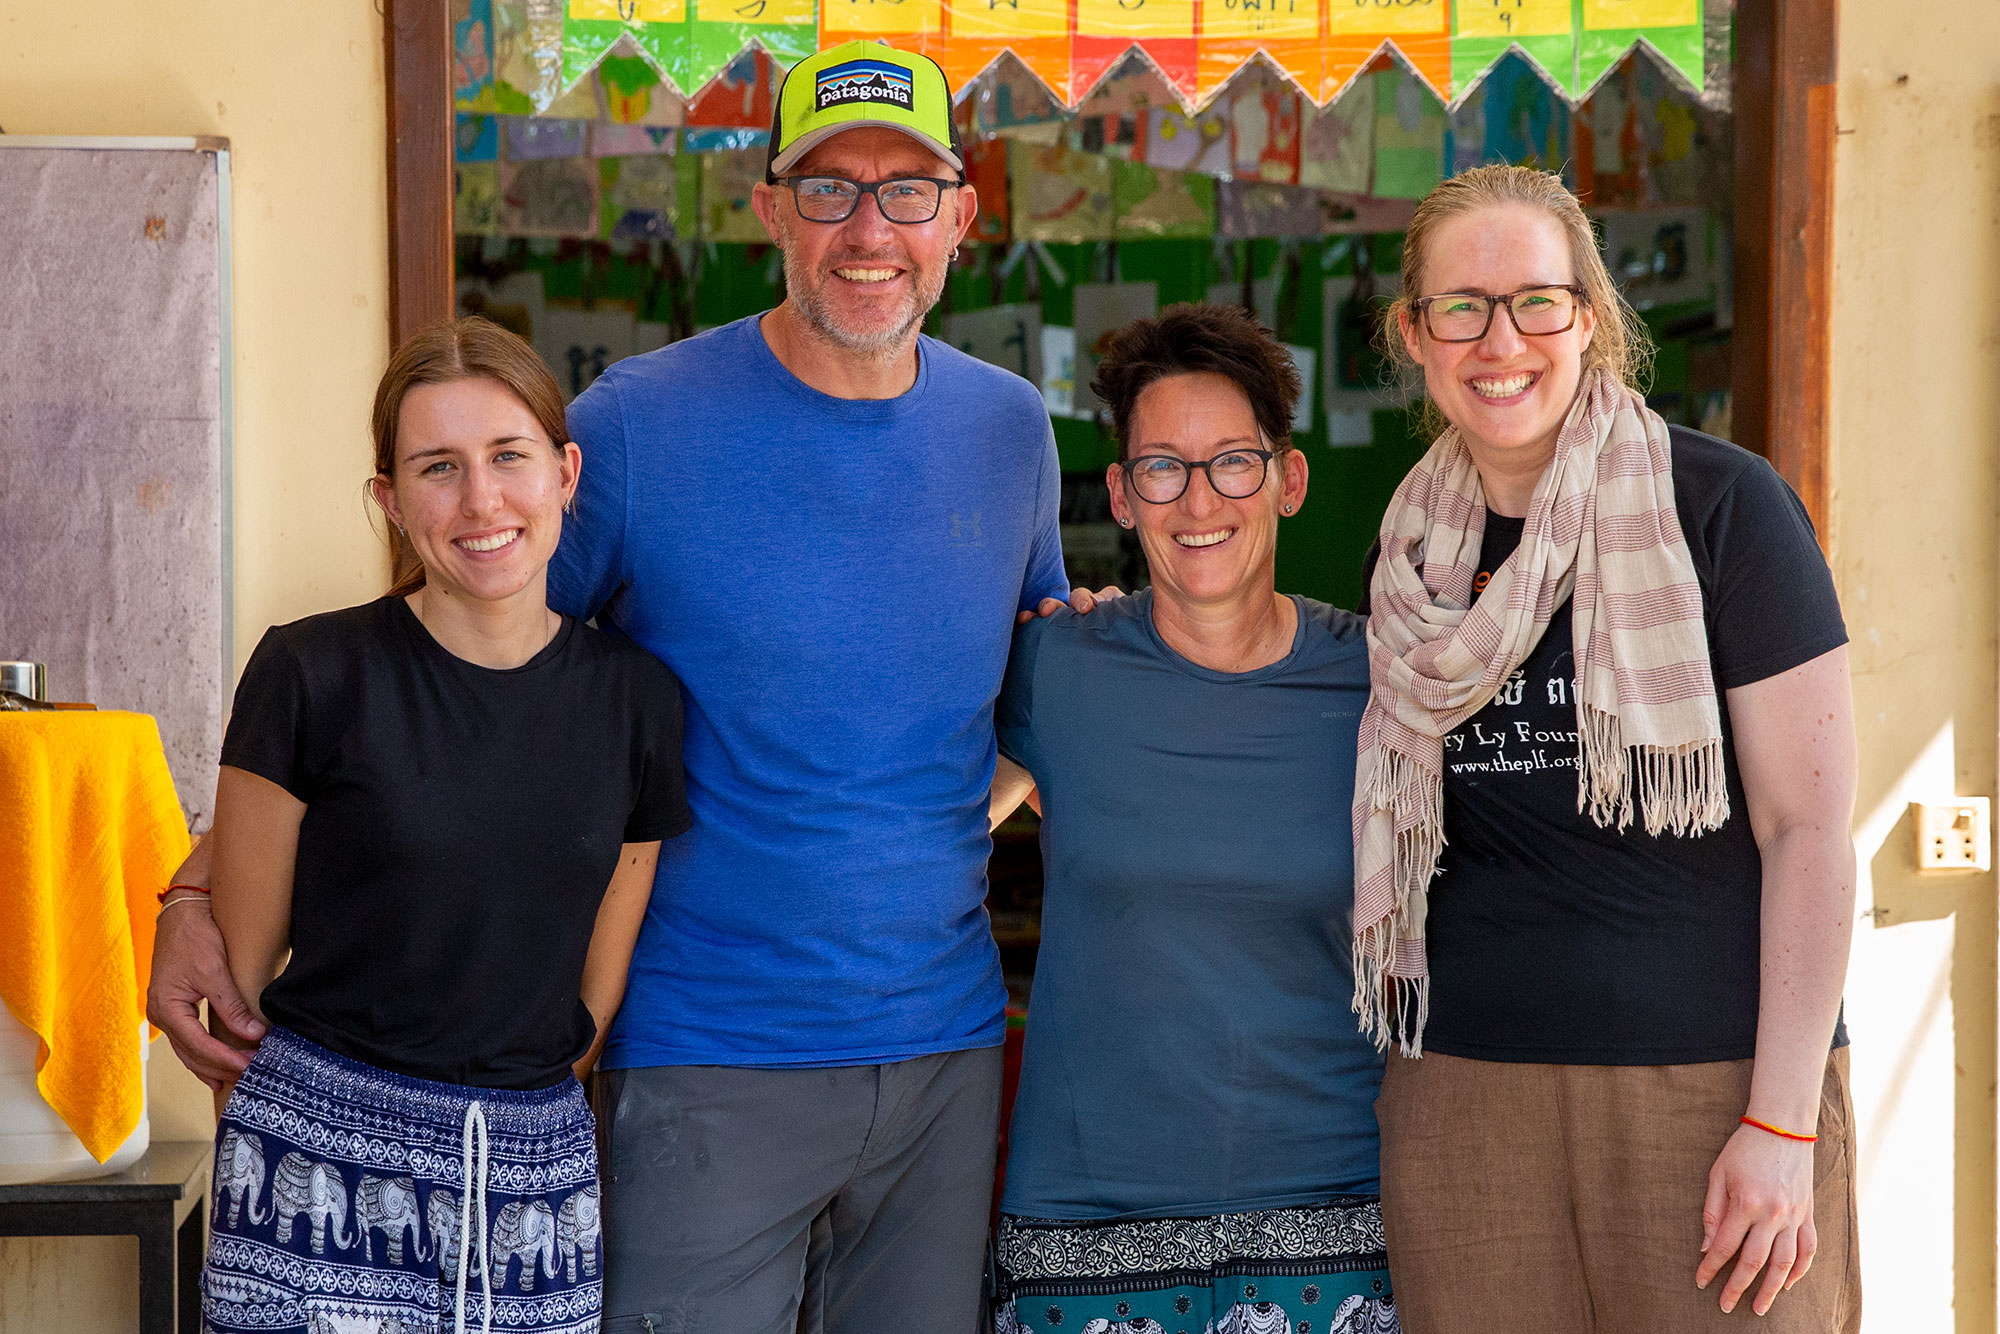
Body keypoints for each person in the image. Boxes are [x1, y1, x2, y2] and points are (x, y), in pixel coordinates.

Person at [151, 42, 1072, 1332]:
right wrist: (200, 884)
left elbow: (1036, 705)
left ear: (960, 218)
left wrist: (915, 828)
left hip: (944, 1045)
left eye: (906, 190)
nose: (868, 229)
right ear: (770, 211)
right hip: (704, 1050)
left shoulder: (1010, 429)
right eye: (826, 189)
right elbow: (466, 660)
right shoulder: (639, 421)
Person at [1351, 164, 1859, 1333]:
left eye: (1536, 300)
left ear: (1587, 316)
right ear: (1413, 334)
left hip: (1711, 1091)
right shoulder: (1408, 552)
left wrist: (1780, 1120)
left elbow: (1807, 830)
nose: (1500, 341)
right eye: (1459, 307)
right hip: (1466, 1098)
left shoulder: (1722, 506)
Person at [191, 318, 692, 1334]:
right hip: (312, 1169)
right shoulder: (309, 673)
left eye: (509, 456)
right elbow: (237, 984)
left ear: (565, 474)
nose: (481, 501)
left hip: (533, 1188)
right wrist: (277, 1178)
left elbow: (593, 995)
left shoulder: (636, 700)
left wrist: (510, 1124)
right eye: (437, 467)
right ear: (388, 498)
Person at [987, 303, 1397, 1334]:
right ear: (1122, 496)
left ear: (1288, 480)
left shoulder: (1382, 683)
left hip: (1335, 1218)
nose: (1199, 498)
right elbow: (912, 832)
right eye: (1163, 468)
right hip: (1084, 1230)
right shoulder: (1054, 668)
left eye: (1232, 463)